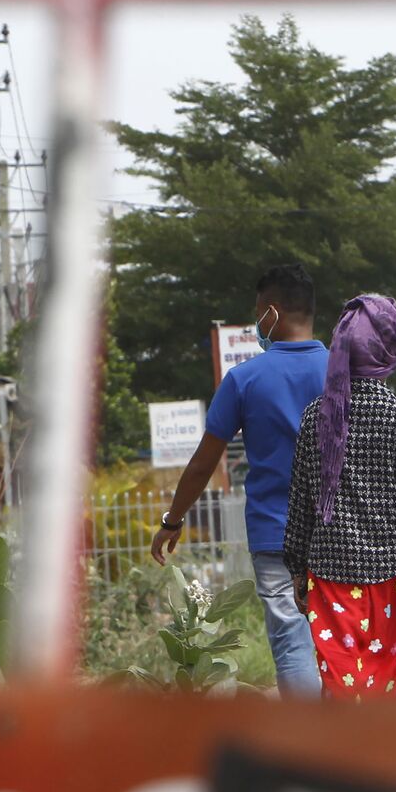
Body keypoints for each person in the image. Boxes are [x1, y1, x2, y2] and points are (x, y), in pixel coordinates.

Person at [152, 263, 329, 696]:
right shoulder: (345, 373)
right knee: (342, 639)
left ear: (272, 312)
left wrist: (173, 520)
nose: (256, 322)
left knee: (292, 641)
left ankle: (308, 747)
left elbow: (202, 464)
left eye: (257, 312)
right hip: (340, 531)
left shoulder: (244, 380)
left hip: (276, 534)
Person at [284, 294, 396, 702]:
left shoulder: (316, 418)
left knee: (343, 690)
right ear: (387, 354)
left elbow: (300, 504)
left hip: (331, 579)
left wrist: (298, 570)